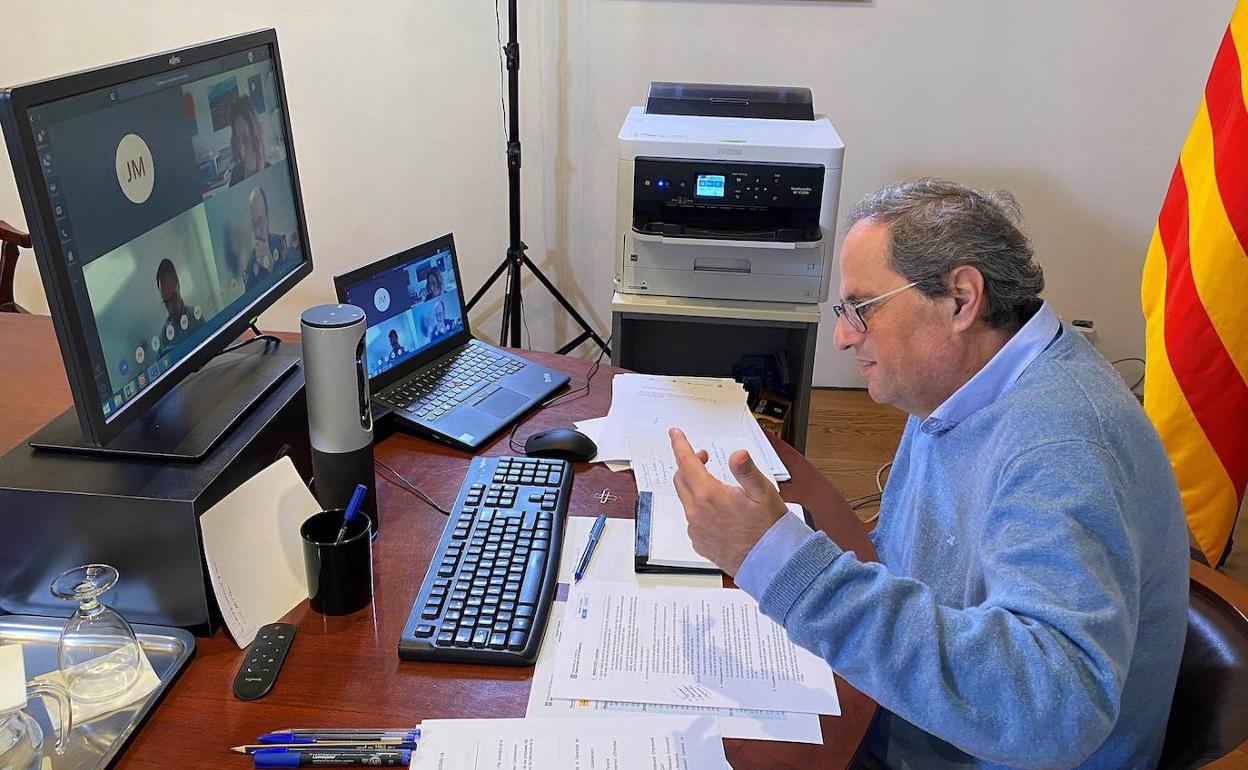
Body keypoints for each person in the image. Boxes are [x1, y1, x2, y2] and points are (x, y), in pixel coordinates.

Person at [669, 179, 1188, 769]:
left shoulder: (1062, 445)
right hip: (911, 718)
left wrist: (782, 564)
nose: (843, 337)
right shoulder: (962, 381)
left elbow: (1055, 712)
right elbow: (909, 563)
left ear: (961, 299)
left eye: (862, 308)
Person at [155, 258, 203, 346]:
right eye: (166, 302)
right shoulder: (163, 339)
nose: (171, 308)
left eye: (173, 298)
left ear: (179, 286)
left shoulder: (196, 318)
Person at [245, 186, 287, 284]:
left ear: (267, 219)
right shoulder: (250, 265)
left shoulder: (279, 242)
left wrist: (270, 264)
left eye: (260, 221)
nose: (257, 231)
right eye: (253, 223)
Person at [227, 96, 268, 187]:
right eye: (238, 140)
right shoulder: (236, 174)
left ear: (256, 136)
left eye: (246, 139)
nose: (241, 149)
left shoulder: (272, 173)